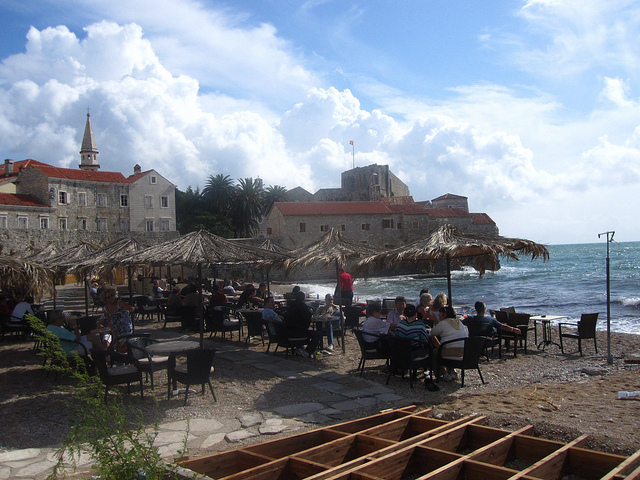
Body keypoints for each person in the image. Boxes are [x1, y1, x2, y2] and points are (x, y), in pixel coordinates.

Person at [431, 305, 469, 381]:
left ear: (444, 314)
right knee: (444, 348)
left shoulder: (443, 323)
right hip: (464, 351)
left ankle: (444, 374)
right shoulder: (459, 323)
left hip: (451, 351)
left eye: (440, 313)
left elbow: (433, 332)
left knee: (434, 353)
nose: (438, 315)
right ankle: (452, 371)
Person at [283, 290, 321, 358]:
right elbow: (308, 319)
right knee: (318, 334)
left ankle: (299, 347)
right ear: (303, 298)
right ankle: (308, 351)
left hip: (288, 331)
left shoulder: (290, 306)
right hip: (299, 332)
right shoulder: (303, 307)